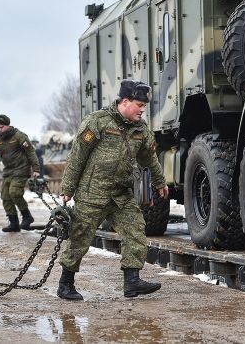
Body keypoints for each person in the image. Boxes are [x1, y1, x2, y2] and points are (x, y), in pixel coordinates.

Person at [57, 79, 168, 300]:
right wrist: (67, 188)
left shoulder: (140, 129)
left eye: (144, 106)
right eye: (139, 105)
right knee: (79, 238)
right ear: (125, 101)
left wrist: (160, 181)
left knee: (135, 231)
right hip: (92, 194)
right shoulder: (97, 122)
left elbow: (149, 158)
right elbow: (77, 156)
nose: (143, 110)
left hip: (121, 194)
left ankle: (132, 282)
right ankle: (65, 284)